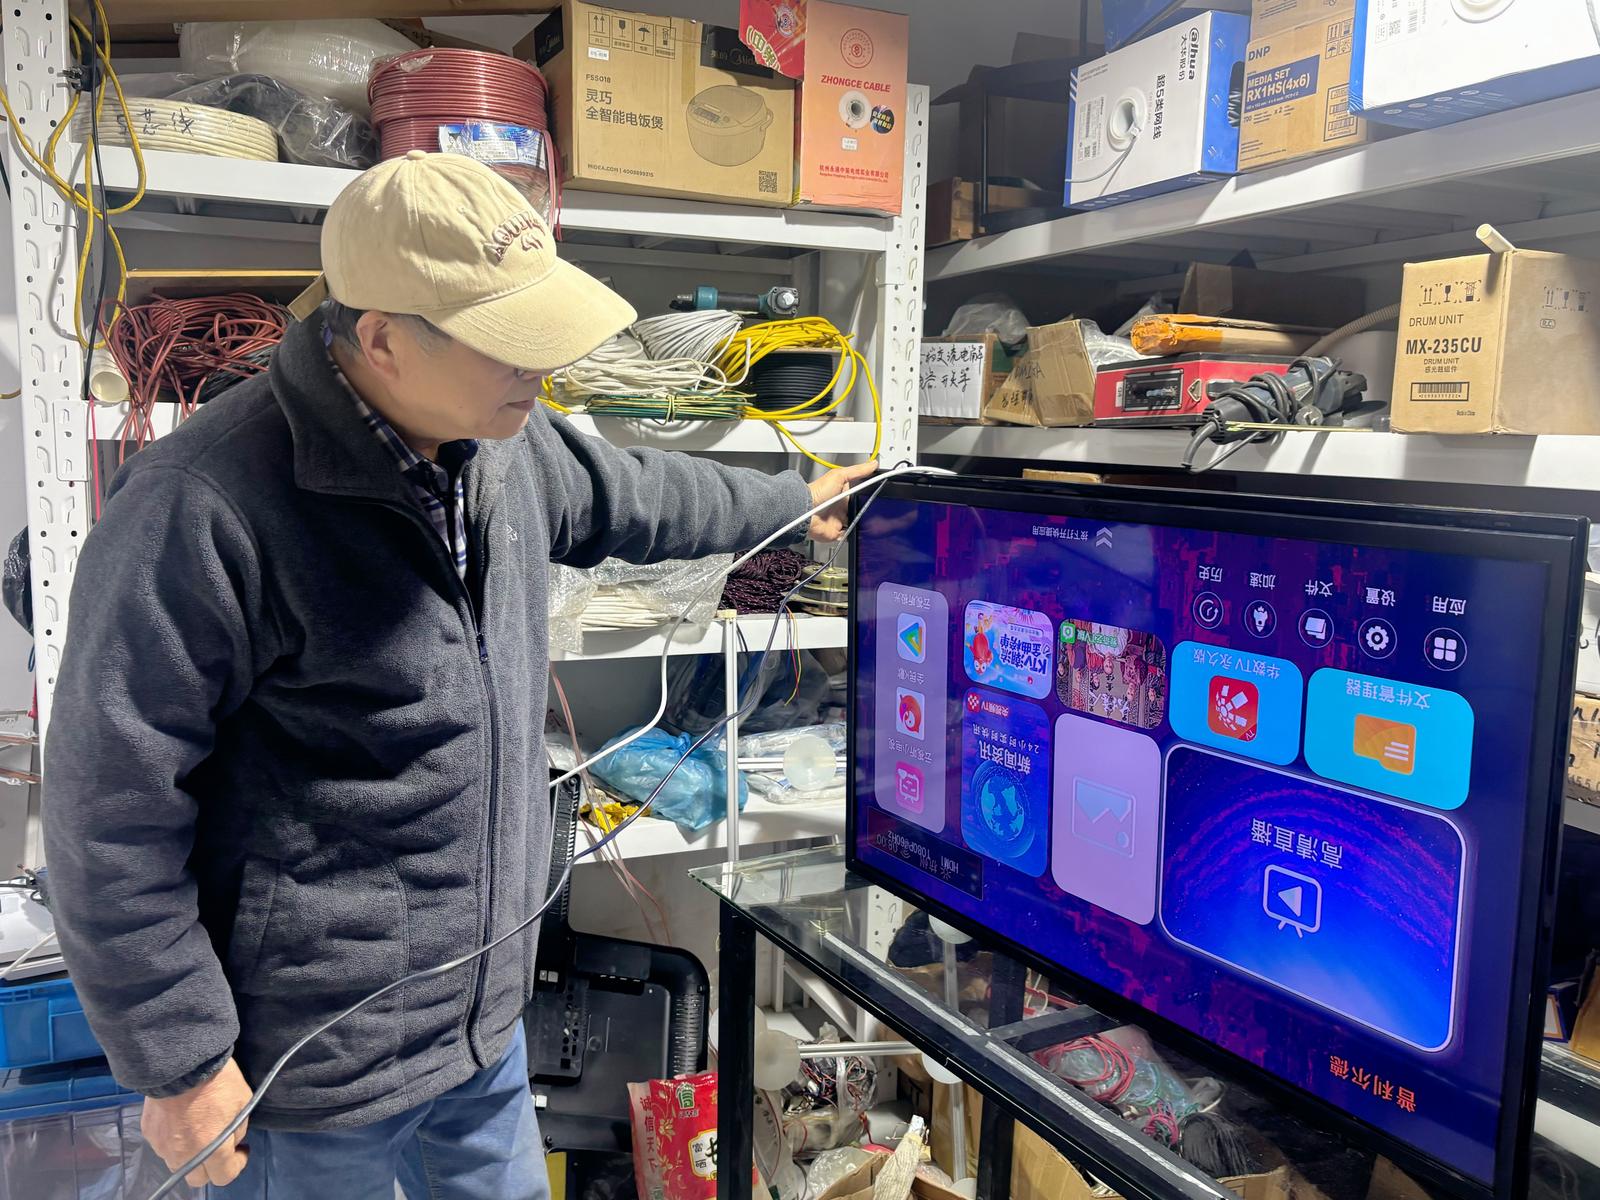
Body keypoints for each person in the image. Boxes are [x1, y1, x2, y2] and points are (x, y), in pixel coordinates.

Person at [41, 151, 874, 1199]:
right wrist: (180, 1062)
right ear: (383, 340)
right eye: (507, 340)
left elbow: (639, 491)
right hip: (312, 1066)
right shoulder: (201, 508)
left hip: (480, 1029)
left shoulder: (497, 442)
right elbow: (107, 814)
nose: (543, 367)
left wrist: (798, 502)